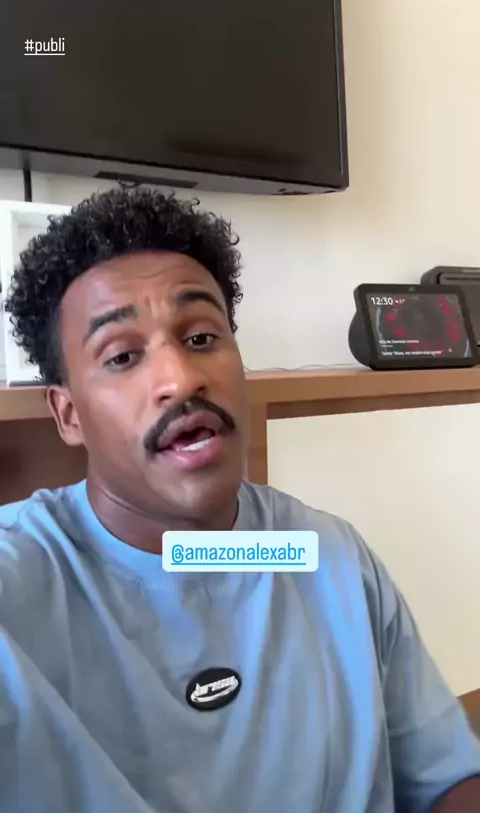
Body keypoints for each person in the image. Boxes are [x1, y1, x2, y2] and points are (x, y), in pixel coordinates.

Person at [1, 187, 479, 813]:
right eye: (122, 355)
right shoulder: (18, 588)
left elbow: (444, 777)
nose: (181, 379)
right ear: (68, 414)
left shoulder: (324, 553)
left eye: (201, 337)